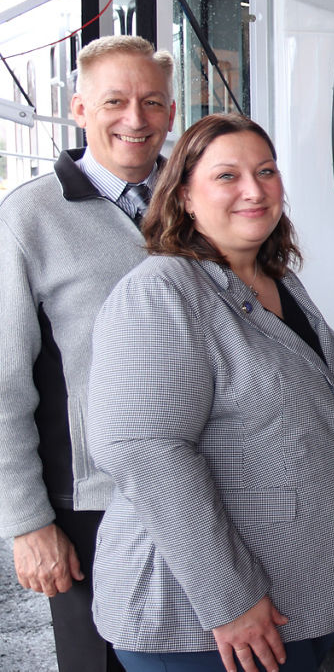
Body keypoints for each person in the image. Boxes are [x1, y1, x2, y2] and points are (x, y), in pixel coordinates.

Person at [86, 113, 334, 671]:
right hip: (202, 622)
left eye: (266, 171)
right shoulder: (162, 289)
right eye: (227, 176)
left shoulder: (273, 278)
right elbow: (145, 451)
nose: (254, 190)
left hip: (295, 595)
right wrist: (230, 600)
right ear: (184, 195)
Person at [0, 35, 175, 672]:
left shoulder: (200, 202)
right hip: (91, 507)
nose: (135, 119)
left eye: (151, 102)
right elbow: (3, 387)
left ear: (171, 113)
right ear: (79, 109)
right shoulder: (28, 219)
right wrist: (27, 522)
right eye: (115, 101)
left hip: (210, 489)